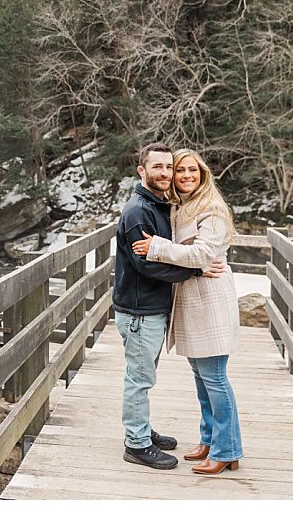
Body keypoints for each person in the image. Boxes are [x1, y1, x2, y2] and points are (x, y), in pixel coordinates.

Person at [113, 142, 226, 471]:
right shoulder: (138, 211)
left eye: (168, 167)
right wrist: (196, 268)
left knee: (144, 374)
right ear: (142, 171)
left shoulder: (160, 205)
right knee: (139, 378)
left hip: (152, 308)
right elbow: (146, 264)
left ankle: (142, 430)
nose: (165, 173)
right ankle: (136, 444)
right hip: (139, 311)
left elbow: (165, 250)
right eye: (157, 167)